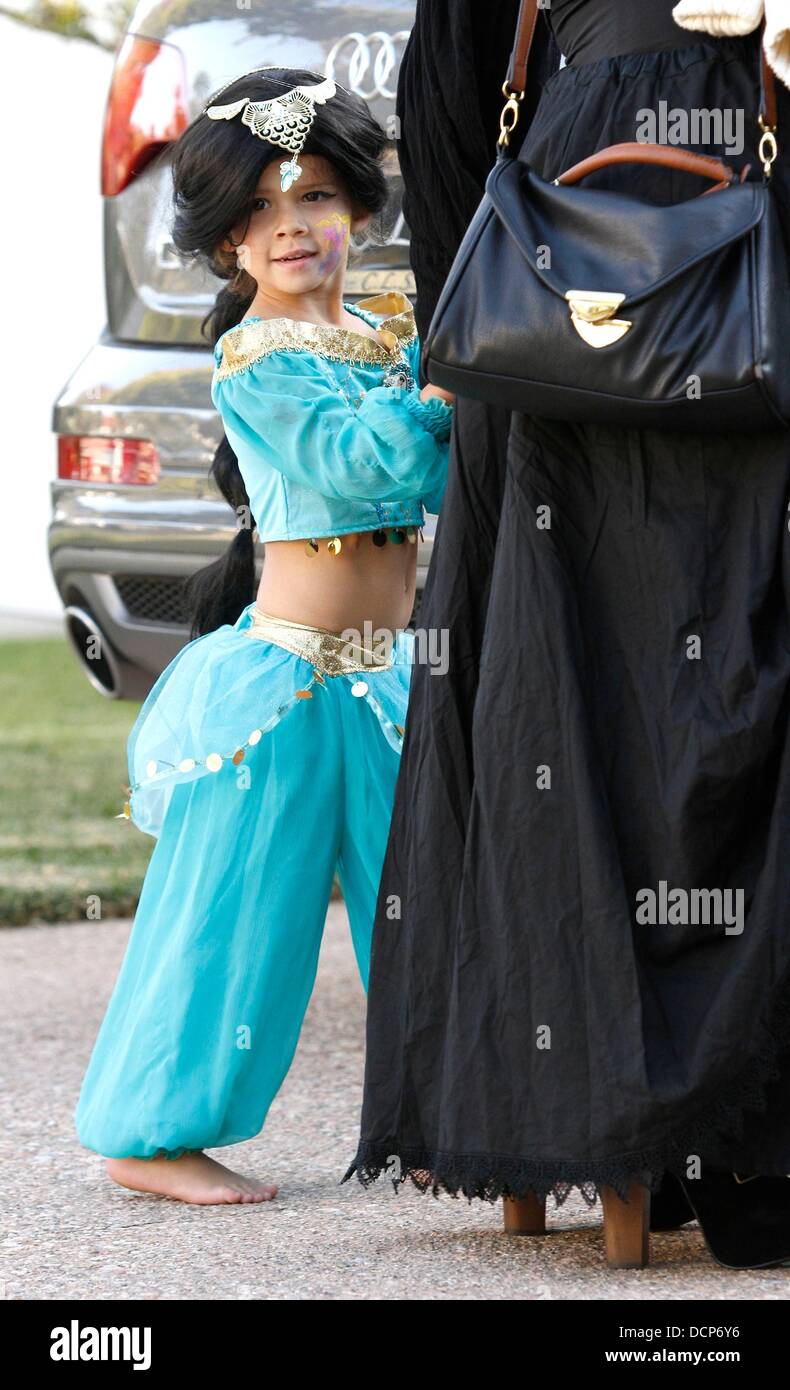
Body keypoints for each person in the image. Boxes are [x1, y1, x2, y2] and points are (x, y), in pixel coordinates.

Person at [341, 0, 790, 1269]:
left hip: (551, 308)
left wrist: (463, 339)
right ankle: (724, 1142)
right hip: (708, 299)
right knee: (706, 684)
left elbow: (444, 112)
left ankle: (597, 1127)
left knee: (568, 707)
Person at [73, 66, 453, 1206]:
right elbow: (367, 464)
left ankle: (442, 1116)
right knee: (237, 914)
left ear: (358, 211)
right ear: (226, 240)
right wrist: (445, 389)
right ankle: (148, 1132)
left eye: (316, 198)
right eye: (258, 211)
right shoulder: (260, 359)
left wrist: (438, 378)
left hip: (381, 680)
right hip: (284, 685)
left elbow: (433, 476)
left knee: (425, 906)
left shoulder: (382, 338)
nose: (290, 227)